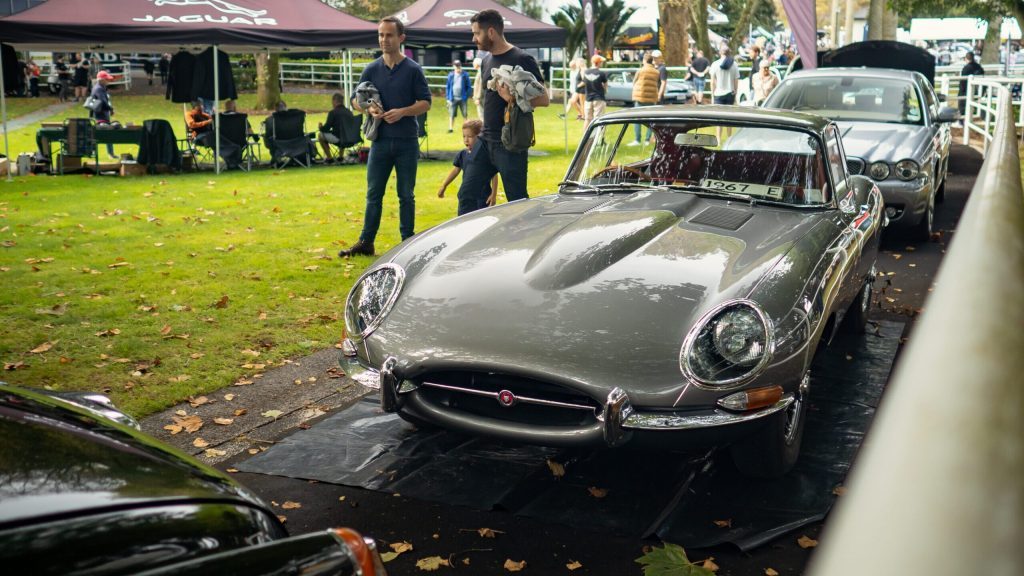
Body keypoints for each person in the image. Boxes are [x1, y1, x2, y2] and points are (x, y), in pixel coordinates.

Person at [339, 17, 431, 258]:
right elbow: (354, 101)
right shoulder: (371, 69)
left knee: (406, 195)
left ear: (401, 38)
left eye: (389, 35)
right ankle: (366, 241)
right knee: (373, 194)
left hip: (406, 141)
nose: (383, 39)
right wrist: (368, 109)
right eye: (381, 35)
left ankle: (407, 243)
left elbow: (426, 103)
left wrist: (403, 111)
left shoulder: (413, 69)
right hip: (379, 141)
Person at [454, 9, 549, 214]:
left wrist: (512, 98)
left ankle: (523, 243)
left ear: (490, 33)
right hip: (486, 140)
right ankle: (468, 243)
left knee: (517, 202)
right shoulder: (486, 60)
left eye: (476, 33)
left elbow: (544, 99)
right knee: (466, 195)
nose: (474, 39)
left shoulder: (522, 58)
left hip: (510, 145)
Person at [437, 119, 499, 214]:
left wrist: (493, 194)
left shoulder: (485, 156)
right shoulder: (462, 154)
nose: (466, 139)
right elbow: (455, 170)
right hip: (467, 197)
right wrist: (444, 185)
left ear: (480, 138)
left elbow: (494, 175)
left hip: (483, 198)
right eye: (464, 136)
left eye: (470, 136)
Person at [628, 52, 660, 145]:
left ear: (644, 60)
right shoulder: (656, 72)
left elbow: (634, 82)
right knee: (651, 120)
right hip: (652, 98)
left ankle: (637, 139)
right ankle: (647, 140)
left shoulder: (640, 70)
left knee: (637, 119)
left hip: (640, 97)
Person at [89, 70, 117, 158]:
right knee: (106, 134)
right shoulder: (99, 89)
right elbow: (103, 101)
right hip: (100, 116)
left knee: (101, 134)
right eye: (106, 80)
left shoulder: (98, 88)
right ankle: (110, 154)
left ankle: (107, 153)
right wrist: (111, 109)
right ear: (101, 80)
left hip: (100, 115)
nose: (108, 81)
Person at [318, 92, 353, 162]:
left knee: (320, 135)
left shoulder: (333, 113)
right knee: (343, 133)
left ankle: (329, 157)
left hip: (339, 139)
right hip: (351, 139)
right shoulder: (349, 112)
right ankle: (340, 156)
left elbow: (326, 129)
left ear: (334, 101)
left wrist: (320, 127)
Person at [582, 54, 608, 130]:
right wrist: (605, 91)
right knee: (598, 119)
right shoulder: (601, 73)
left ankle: (585, 138)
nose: (602, 63)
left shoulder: (586, 72)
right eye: (601, 62)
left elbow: (584, 82)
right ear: (598, 63)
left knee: (587, 119)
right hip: (599, 98)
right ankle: (597, 138)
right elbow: (606, 85)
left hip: (588, 98)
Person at [445, 60, 471, 133]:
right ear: (454, 67)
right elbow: (448, 87)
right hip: (452, 98)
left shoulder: (465, 75)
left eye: (459, 66)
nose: (458, 68)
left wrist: (466, 95)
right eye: (456, 66)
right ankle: (450, 129)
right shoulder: (451, 75)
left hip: (463, 98)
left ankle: (466, 129)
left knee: (465, 114)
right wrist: (448, 98)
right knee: (451, 114)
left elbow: (469, 87)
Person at [958, 51, 984, 118]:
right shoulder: (978, 67)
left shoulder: (966, 68)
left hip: (965, 90)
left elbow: (963, 81)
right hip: (976, 90)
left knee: (963, 107)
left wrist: (961, 90)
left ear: (966, 58)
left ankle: (962, 119)